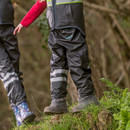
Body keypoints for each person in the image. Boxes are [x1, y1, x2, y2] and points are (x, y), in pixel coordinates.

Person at [14, 0, 99, 114]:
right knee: (57, 63)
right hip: (55, 27)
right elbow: (41, 3)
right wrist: (25, 22)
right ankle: (58, 100)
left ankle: (87, 96)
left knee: (76, 59)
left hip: (70, 21)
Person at [0, 0, 35, 126]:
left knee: (14, 72)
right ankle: (22, 106)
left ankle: (19, 115)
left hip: (8, 26)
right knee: (6, 70)